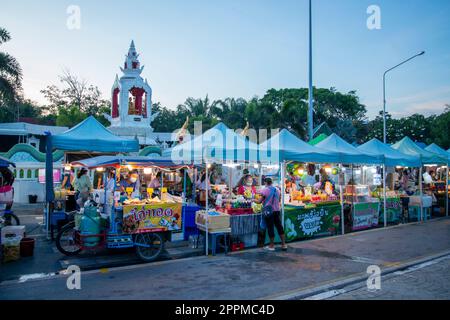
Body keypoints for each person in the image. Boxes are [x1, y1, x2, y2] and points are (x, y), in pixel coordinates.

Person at [256, 177, 287, 252]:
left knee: (270, 227)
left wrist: (253, 200)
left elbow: (259, 201)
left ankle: (271, 245)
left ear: (265, 182)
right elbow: (279, 200)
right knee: (279, 226)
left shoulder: (265, 190)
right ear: (271, 182)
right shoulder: (277, 190)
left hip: (269, 212)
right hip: (277, 210)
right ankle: (283, 244)